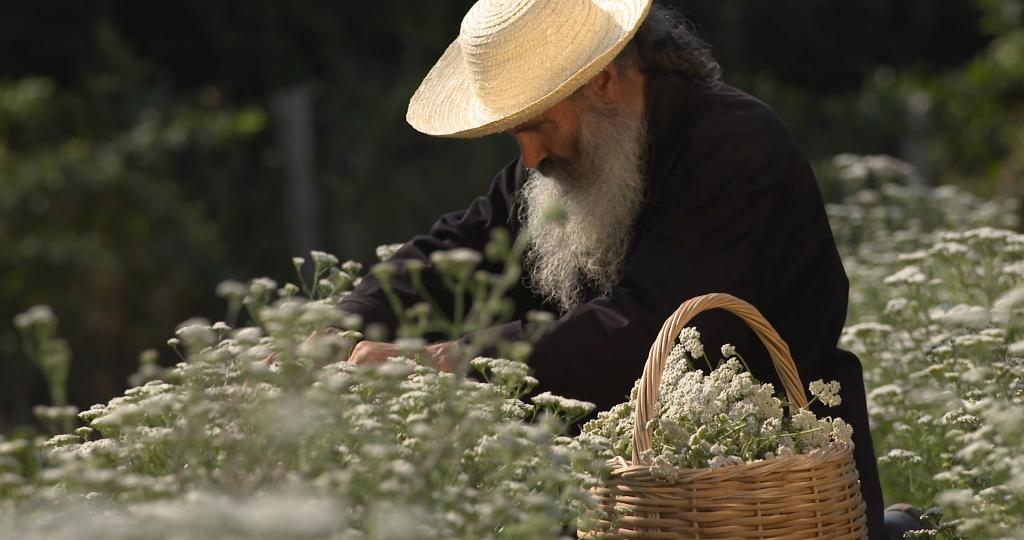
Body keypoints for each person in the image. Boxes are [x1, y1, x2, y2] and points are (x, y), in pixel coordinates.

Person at [337, 0, 897, 536]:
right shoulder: (569, 154)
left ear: (603, 79)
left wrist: (447, 362)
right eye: (517, 133)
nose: (529, 157)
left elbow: (644, 329)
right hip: (620, 502)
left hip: (764, 501)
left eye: (538, 124)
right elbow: (458, 247)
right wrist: (340, 327)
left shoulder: (737, 148)